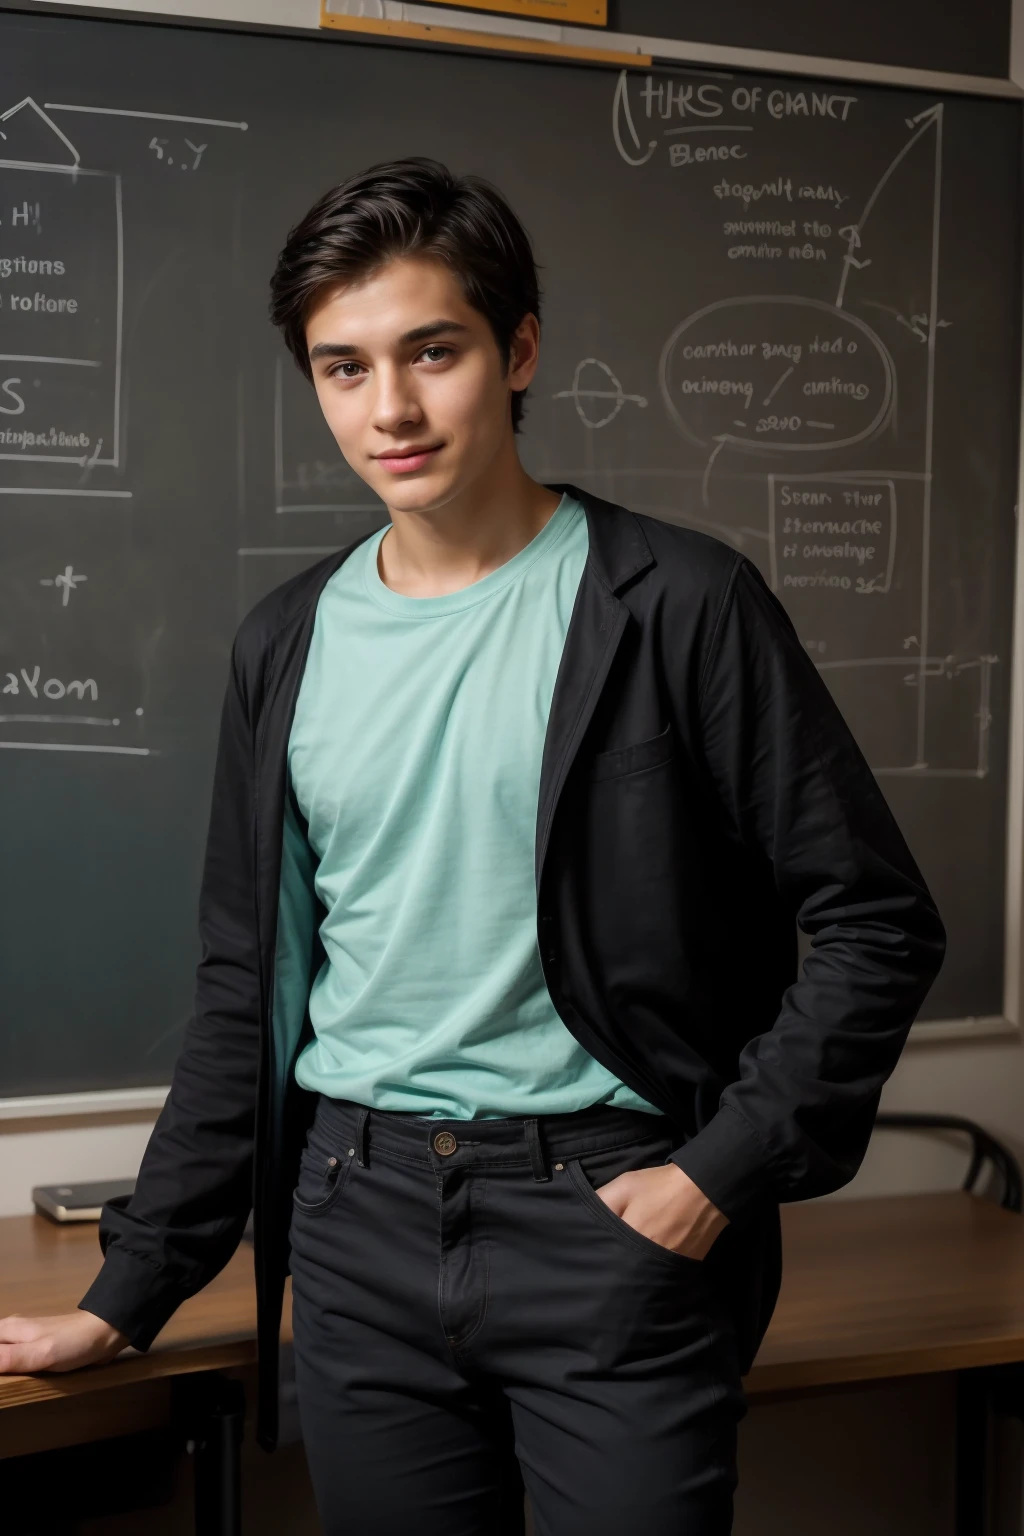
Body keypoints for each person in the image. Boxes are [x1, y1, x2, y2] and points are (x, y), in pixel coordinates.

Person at [0, 157, 945, 1534]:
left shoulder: (678, 604)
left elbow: (876, 919)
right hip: (354, 1220)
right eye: (341, 368)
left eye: (430, 352)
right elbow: (242, 990)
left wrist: (714, 1177)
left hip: (606, 1218)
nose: (387, 409)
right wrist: (129, 1290)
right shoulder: (287, 641)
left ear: (519, 351)